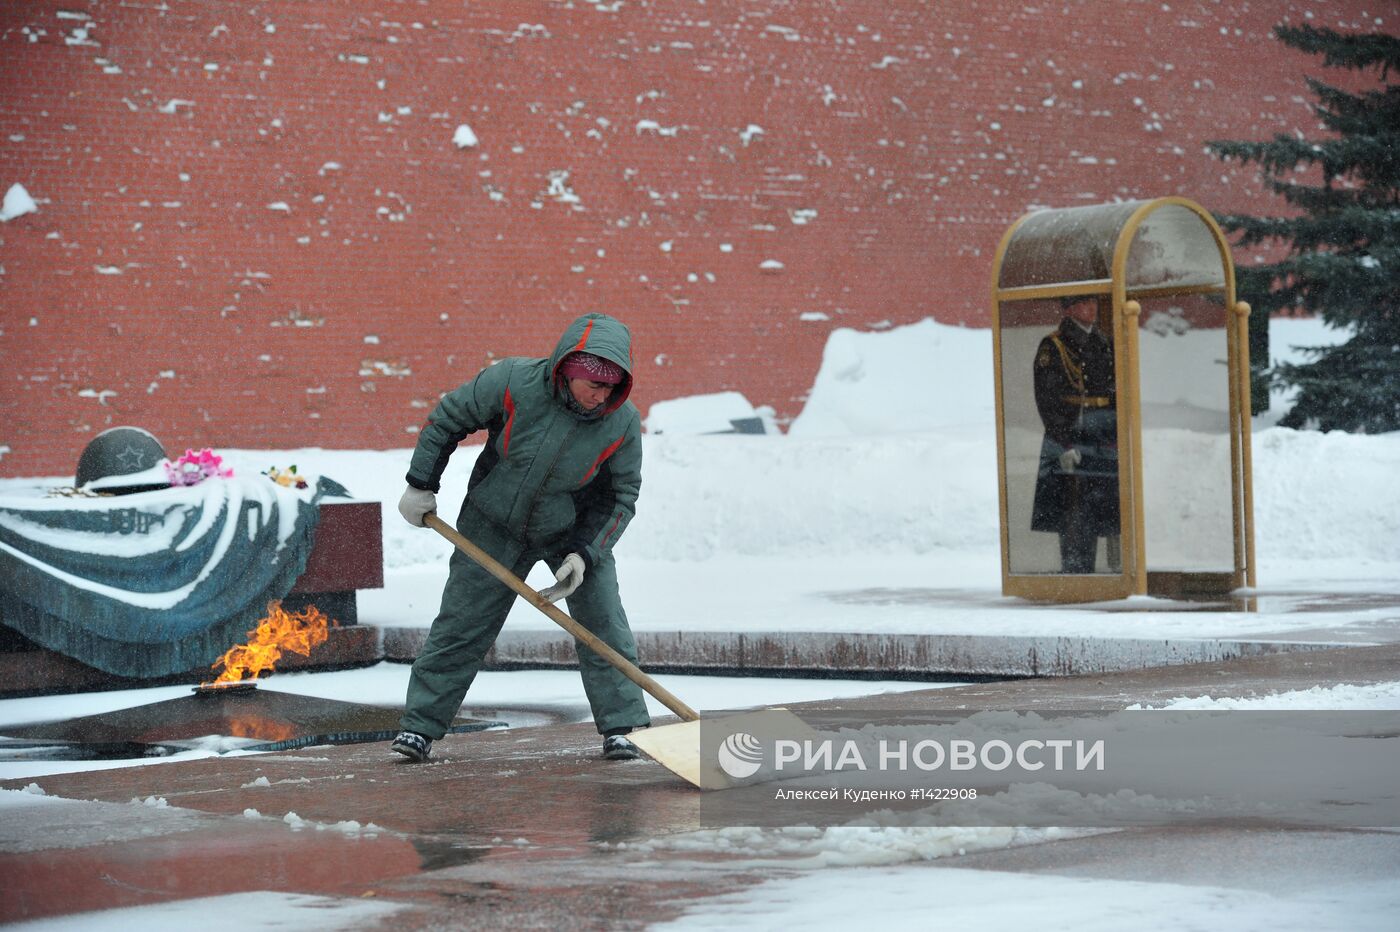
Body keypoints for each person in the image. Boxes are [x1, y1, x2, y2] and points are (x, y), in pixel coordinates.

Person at [391, 313, 650, 762]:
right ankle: (420, 727)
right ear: (568, 369)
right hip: (493, 523)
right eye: (593, 383)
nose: (600, 395)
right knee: (461, 624)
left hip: (571, 530)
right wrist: (421, 483)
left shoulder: (621, 423)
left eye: (611, 387)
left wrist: (585, 554)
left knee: (603, 624)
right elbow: (448, 420)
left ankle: (623, 728)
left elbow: (620, 496)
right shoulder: (512, 381)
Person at [1030, 295, 1120, 574]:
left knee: (1097, 506)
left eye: (1093, 303)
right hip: (1070, 433)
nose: (1091, 309)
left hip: (1100, 435)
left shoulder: (1104, 342)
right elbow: (1048, 399)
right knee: (1070, 508)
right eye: (1084, 304)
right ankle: (1075, 572)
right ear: (1069, 309)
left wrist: (1116, 434)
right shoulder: (1054, 345)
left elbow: (1116, 392)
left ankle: (1097, 571)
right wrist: (1064, 441)